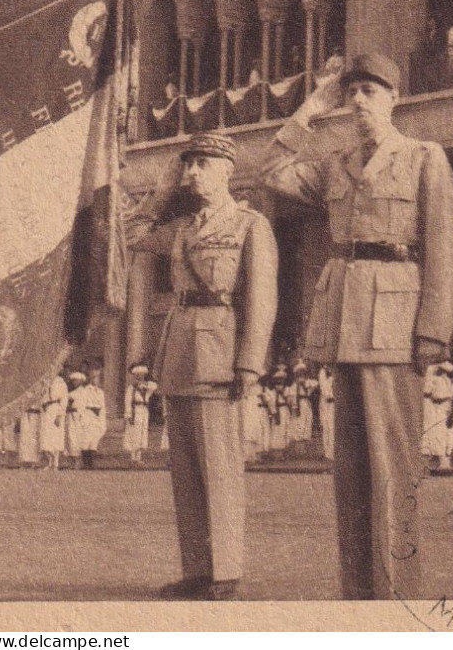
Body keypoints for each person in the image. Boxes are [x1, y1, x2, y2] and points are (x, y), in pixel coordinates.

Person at [261, 51, 453, 600]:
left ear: (394, 97)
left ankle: (401, 592)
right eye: (350, 92)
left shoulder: (424, 156)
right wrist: (312, 106)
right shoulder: (334, 161)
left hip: (396, 325)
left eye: (370, 91)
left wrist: (432, 332)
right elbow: (271, 172)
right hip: (346, 321)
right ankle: (360, 595)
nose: (358, 101)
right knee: (349, 472)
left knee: (394, 466)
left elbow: (445, 245)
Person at [128, 130, 278, 600]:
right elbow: (131, 234)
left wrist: (250, 363)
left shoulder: (250, 225)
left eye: (202, 164)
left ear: (227, 171)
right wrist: (165, 184)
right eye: (187, 164)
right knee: (187, 470)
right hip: (179, 354)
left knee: (219, 468)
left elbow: (261, 297)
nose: (193, 171)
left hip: (219, 353)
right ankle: (197, 569)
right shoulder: (183, 227)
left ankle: (226, 572)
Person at [123, 363, 158, 465]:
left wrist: (145, 385)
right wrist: (128, 415)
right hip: (135, 411)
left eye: (141, 374)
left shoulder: (147, 386)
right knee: (135, 433)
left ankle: (139, 457)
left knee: (142, 432)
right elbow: (128, 401)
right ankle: (133, 457)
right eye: (137, 374)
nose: (139, 376)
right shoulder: (131, 388)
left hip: (144, 410)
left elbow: (155, 386)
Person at [424, 361, 453, 470]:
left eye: (445, 371)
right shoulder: (431, 376)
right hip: (432, 405)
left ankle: (445, 461)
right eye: (441, 370)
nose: (443, 372)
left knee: (445, 433)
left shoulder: (449, 381)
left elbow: (451, 396)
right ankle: (426, 462)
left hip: (445, 406)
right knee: (430, 432)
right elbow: (427, 392)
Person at [41, 368, 69, 470]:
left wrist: (60, 415)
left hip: (56, 410)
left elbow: (64, 400)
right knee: (46, 437)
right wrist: (43, 405)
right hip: (47, 411)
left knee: (56, 436)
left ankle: (56, 463)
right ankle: (49, 462)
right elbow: (43, 396)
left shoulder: (61, 383)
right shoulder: (45, 382)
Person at [80, 363, 107, 469]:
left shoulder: (100, 392)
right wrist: (82, 418)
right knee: (86, 438)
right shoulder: (85, 390)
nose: (96, 380)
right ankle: (85, 463)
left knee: (94, 439)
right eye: (94, 377)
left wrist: (102, 420)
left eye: (98, 378)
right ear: (90, 378)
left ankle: (90, 463)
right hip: (87, 415)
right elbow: (81, 406)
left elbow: (102, 407)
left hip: (97, 416)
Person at [318, 366, 335, 461]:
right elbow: (324, 388)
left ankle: (333, 452)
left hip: (335, 403)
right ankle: (328, 453)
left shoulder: (334, 370)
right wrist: (330, 395)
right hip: (327, 403)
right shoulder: (323, 371)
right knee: (327, 426)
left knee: (333, 427)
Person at [18, 404, 42, 468]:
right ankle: (24, 461)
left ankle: (34, 461)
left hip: (35, 416)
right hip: (25, 415)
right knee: (24, 438)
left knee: (33, 438)